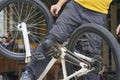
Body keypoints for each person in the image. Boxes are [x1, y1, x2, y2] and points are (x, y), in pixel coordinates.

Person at [20, 0, 112, 80]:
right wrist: (59, 4)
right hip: (75, 7)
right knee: (52, 40)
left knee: (92, 57)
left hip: (98, 14)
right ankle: (30, 74)